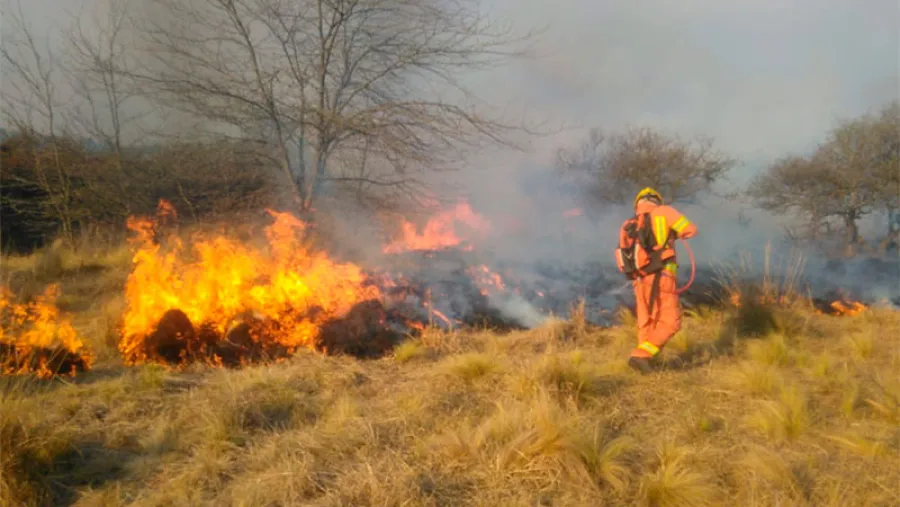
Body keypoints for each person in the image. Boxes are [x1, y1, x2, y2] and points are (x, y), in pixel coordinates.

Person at [614, 187, 697, 374]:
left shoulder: (628, 223)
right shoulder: (665, 212)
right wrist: (673, 234)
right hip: (663, 276)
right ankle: (641, 356)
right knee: (671, 322)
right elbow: (691, 230)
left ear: (638, 204)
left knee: (646, 322)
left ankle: (645, 362)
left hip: (639, 280)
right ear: (657, 201)